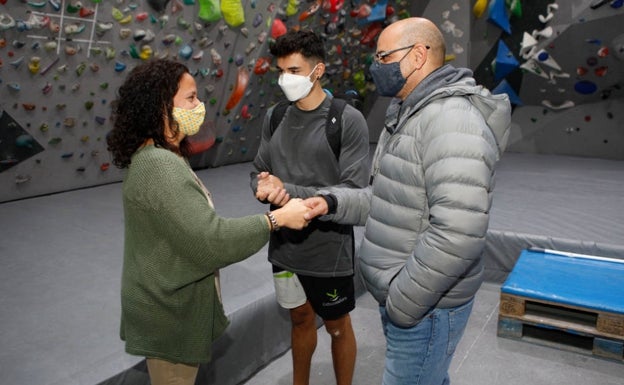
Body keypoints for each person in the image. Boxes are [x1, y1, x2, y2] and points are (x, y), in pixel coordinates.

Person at [303, 18, 511, 385]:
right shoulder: (412, 113)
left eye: (383, 56)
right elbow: (391, 200)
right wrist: (331, 203)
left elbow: (460, 232)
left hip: (425, 308)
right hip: (416, 301)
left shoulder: (449, 119)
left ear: (417, 56)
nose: (375, 66)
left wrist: (402, 301)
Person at [106, 59, 310, 385]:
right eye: (190, 98)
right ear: (160, 106)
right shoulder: (159, 165)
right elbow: (210, 242)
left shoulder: (160, 156)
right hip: (169, 315)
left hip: (168, 304)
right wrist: (276, 220)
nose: (199, 106)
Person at [250, 30, 370, 385]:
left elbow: (353, 193)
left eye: (295, 70)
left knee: (336, 327)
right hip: (284, 246)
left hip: (328, 252)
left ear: (318, 70)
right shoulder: (274, 116)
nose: (286, 78)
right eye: (281, 70)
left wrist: (286, 190)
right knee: (300, 319)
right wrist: (261, 186)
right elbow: (259, 169)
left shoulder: (347, 120)